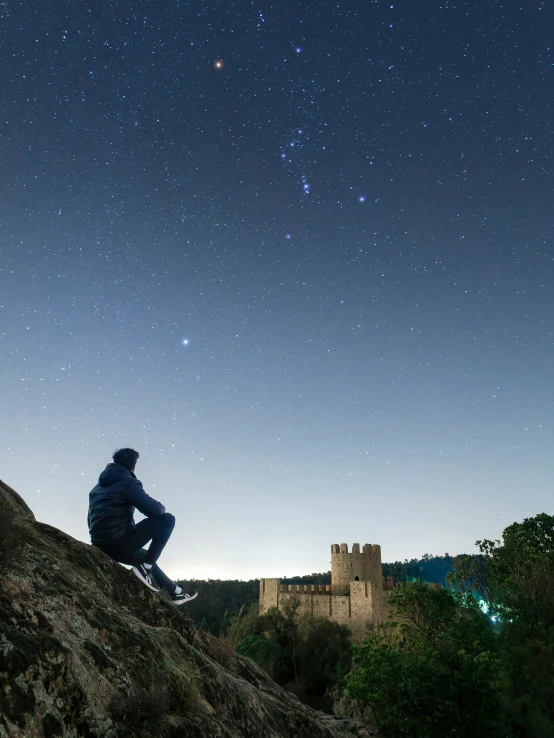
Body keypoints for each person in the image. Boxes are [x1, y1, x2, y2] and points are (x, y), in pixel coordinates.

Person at [87, 448, 197, 605]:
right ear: (134, 465)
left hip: (100, 544)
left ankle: (176, 592)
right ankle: (145, 569)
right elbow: (154, 510)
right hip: (118, 544)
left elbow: (90, 518)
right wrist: (161, 508)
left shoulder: (96, 489)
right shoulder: (128, 483)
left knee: (147, 555)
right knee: (167, 520)